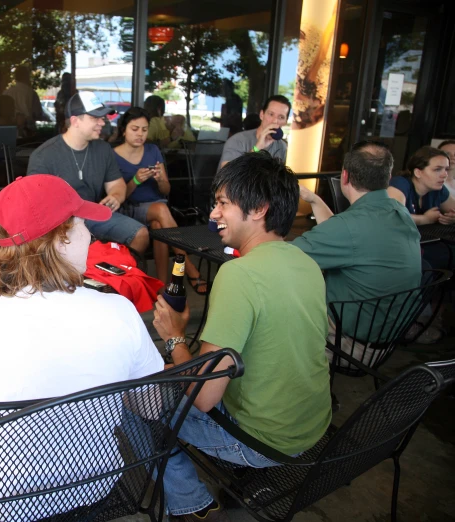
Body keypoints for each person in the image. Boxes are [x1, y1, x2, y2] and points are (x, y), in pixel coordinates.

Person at [0, 174, 164, 520]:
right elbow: (151, 408)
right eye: (81, 224)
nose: (91, 234)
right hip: (93, 490)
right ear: (61, 238)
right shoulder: (119, 311)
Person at [154, 151, 332, 521]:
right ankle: (242, 480)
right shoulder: (304, 260)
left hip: (265, 441)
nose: (213, 214)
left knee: (140, 404)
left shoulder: (239, 275)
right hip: (313, 425)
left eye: (222, 203)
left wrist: (174, 338)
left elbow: (203, 398)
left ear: (259, 209)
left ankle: (190, 503)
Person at [293, 141, 422, 347]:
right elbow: (347, 238)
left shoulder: (348, 227)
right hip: (390, 334)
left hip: (350, 342)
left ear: (345, 176)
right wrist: (314, 199)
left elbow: (283, 258)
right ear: (388, 178)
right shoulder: (400, 212)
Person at [27, 91, 150, 253]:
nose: (102, 122)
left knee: (140, 235)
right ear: (75, 121)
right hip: (59, 223)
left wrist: (116, 196)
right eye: (95, 118)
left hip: (93, 215)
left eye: (102, 117)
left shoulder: (103, 149)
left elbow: (117, 184)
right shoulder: (44, 156)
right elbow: (35, 208)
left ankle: (113, 276)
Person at [112, 106, 206, 291]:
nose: (140, 134)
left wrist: (161, 179)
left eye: (144, 130)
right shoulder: (113, 156)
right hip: (130, 208)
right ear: (124, 130)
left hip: (155, 207)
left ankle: (162, 285)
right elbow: (118, 198)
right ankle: (190, 268)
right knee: (162, 211)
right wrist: (136, 180)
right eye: (135, 129)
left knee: (158, 225)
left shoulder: (153, 150)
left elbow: (165, 190)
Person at [388, 146, 455, 268]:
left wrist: (453, 217)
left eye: (446, 169)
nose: (444, 175)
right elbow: (394, 216)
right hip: (395, 247)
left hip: (421, 244)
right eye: (437, 169)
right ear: (418, 172)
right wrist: (426, 219)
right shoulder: (400, 183)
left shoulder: (438, 189)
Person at [219, 95, 291, 168]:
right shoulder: (237, 140)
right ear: (262, 115)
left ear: (285, 122)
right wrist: (257, 148)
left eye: (281, 117)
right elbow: (229, 174)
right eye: (271, 114)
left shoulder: (282, 147)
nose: (275, 121)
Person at [3, 65, 48, 137]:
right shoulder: (31, 93)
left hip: (10, 131)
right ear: (27, 76)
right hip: (28, 132)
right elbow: (37, 113)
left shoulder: (7, 92)